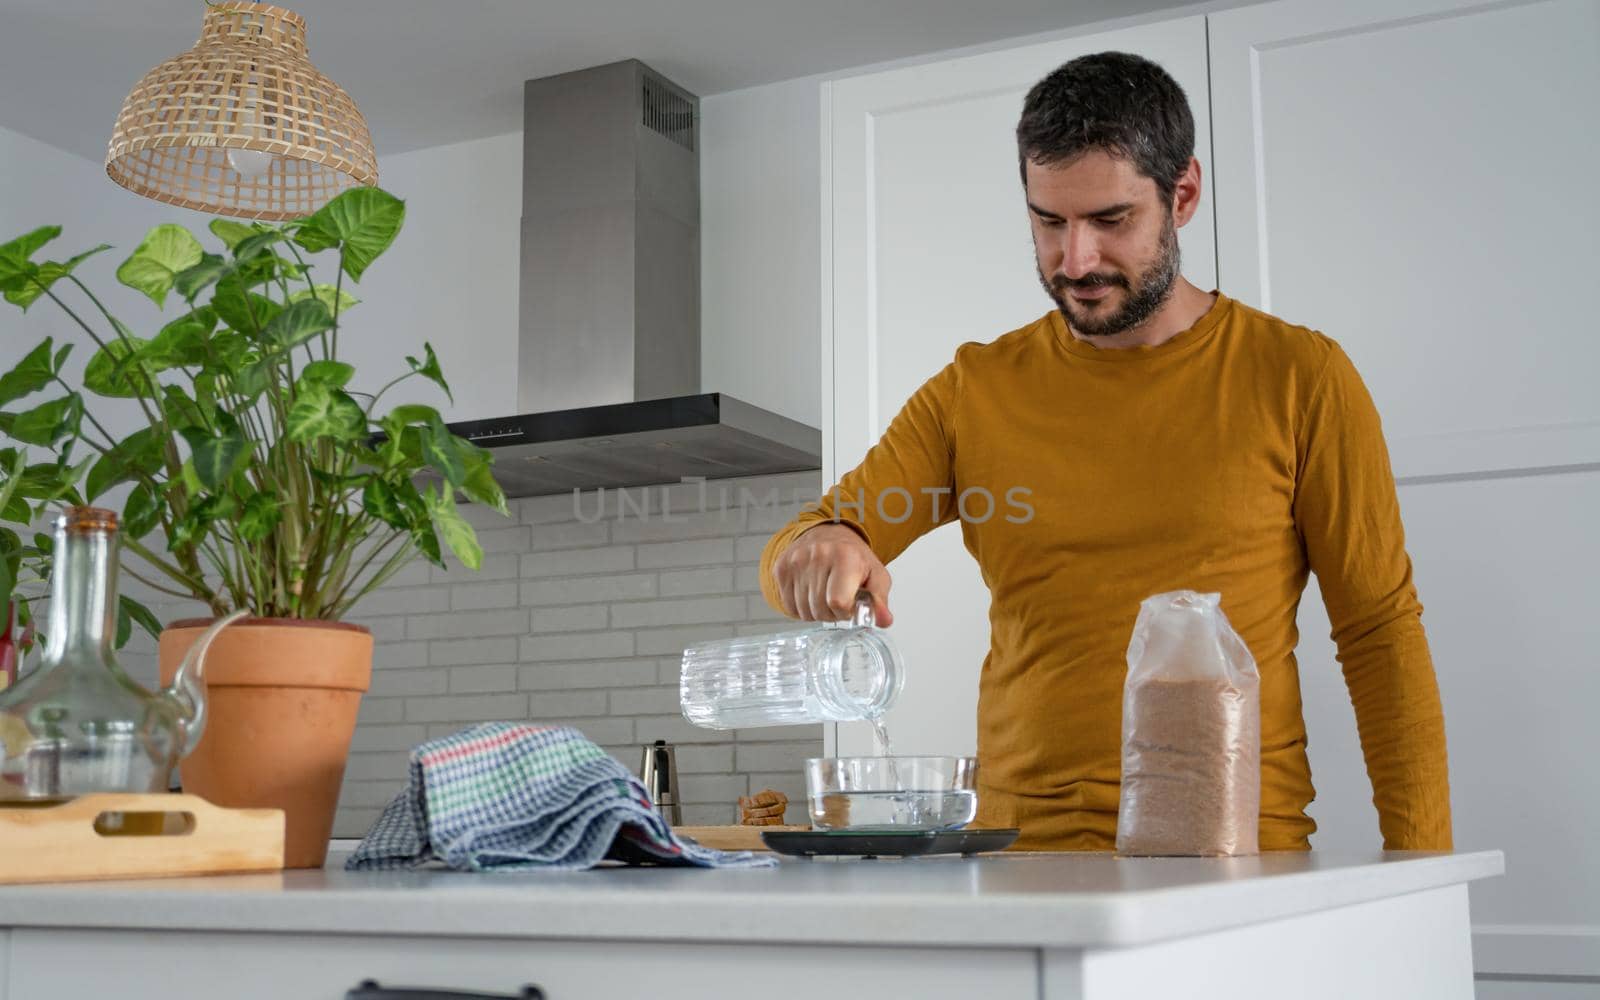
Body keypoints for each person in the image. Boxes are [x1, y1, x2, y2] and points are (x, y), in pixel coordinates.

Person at [758, 51, 1451, 851]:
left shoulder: (1300, 377)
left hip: (1231, 855)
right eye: (1048, 221)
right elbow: (801, 544)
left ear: (1182, 195)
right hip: (1017, 860)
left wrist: (1424, 863)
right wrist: (826, 546)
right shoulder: (975, 389)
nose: (1074, 261)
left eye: (1110, 220)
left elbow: (1379, 632)